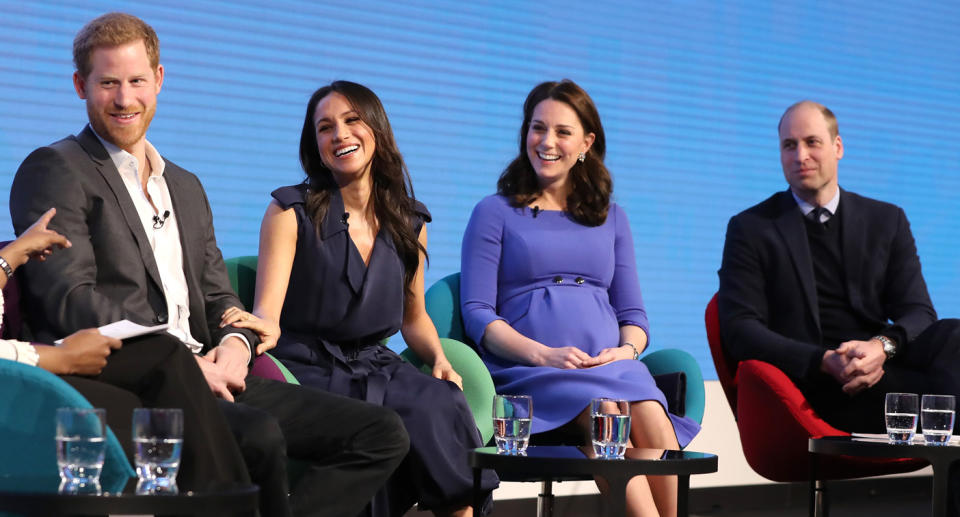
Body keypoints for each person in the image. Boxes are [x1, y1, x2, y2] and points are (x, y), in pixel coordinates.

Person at [9, 13, 408, 517]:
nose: (124, 98)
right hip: (126, 379)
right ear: (79, 86)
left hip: (212, 371)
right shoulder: (56, 168)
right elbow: (70, 300)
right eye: (107, 83)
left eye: (136, 81)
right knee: (257, 436)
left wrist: (237, 346)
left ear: (159, 79)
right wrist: (183, 360)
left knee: (381, 433)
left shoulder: (187, 185)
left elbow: (219, 295)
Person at [239, 80, 497, 517]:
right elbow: (268, 312)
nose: (339, 134)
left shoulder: (409, 220)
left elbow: (413, 318)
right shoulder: (290, 211)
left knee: (443, 401)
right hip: (308, 366)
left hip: (374, 363)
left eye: (351, 120)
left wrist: (438, 357)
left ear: (376, 129)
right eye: (325, 127)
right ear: (314, 143)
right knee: (382, 423)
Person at [460, 79, 700, 517]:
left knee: (646, 409)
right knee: (608, 412)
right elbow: (477, 313)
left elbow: (634, 315)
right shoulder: (493, 212)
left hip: (608, 367)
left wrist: (624, 352)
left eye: (562, 131)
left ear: (586, 142)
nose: (546, 141)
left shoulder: (612, 218)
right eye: (537, 128)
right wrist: (542, 355)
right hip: (532, 371)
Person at [717, 100, 960, 434]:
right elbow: (739, 330)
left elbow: (918, 312)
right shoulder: (752, 227)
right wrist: (822, 360)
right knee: (948, 402)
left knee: (954, 336)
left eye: (812, 142)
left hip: (883, 366)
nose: (800, 156)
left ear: (838, 147)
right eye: (789, 146)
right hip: (815, 386)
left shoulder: (885, 220)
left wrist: (881, 348)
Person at [1, 208, 255, 500]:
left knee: (158, 372)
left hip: (26, 366)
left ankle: (221, 502)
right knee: (157, 378)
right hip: (21, 374)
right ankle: (223, 504)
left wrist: (9, 259)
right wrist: (57, 357)